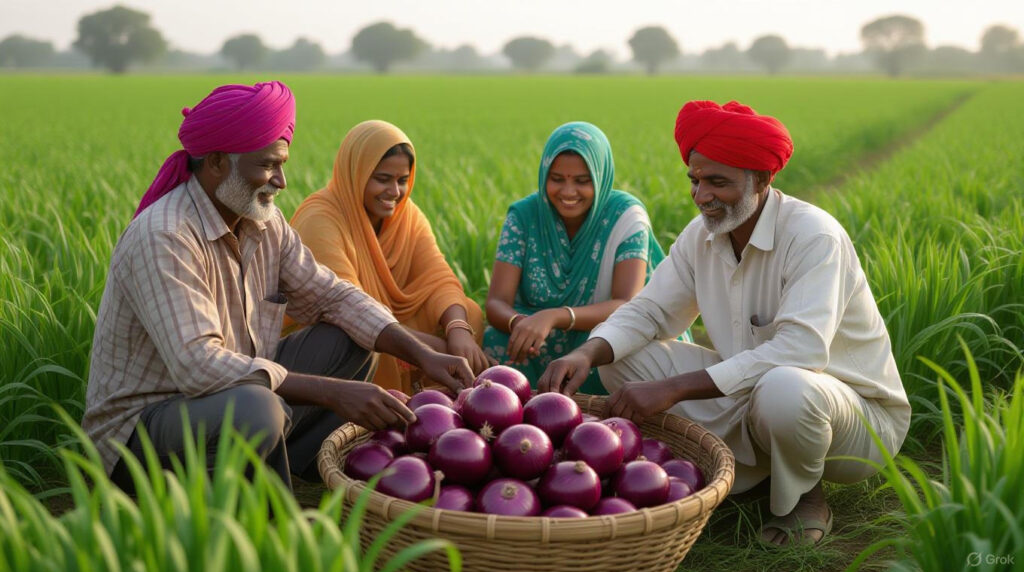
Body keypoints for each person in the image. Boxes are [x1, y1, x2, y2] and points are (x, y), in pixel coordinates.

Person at [538, 101, 911, 546]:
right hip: (751, 396)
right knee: (624, 359)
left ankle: (804, 496)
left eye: (719, 182)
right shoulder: (703, 235)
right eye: (695, 180)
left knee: (785, 389)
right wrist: (586, 351)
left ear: (763, 180)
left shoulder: (814, 236)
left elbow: (800, 351)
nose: (701, 195)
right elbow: (650, 310)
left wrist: (674, 388)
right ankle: (749, 472)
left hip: (853, 418)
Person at [83, 82, 474, 493]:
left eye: (281, 164)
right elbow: (198, 365)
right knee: (258, 407)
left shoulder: (263, 222)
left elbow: (331, 295)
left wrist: (422, 354)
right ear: (217, 163)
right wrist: (333, 392)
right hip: (142, 430)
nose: (282, 180)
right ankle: (262, 509)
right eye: (268, 165)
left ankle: (283, 469)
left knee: (353, 341)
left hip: (230, 399)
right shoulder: (165, 236)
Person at [289, 120, 491, 395]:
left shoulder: (406, 216)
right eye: (382, 179)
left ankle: (435, 405)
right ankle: (383, 410)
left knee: (469, 312)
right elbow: (349, 311)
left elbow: (438, 277)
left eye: (403, 181)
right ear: (356, 173)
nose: (394, 192)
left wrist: (458, 332)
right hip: (341, 327)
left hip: (389, 319)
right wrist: (435, 350)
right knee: (360, 342)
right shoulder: (320, 221)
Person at [484, 121, 683, 395]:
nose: (568, 192)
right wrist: (522, 324)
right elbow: (496, 302)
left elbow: (627, 305)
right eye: (556, 179)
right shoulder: (524, 216)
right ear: (544, 176)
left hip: (604, 332)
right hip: (540, 339)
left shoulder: (625, 218)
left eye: (582, 181)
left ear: (600, 178)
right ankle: (521, 414)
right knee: (497, 339)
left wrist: (555, 316)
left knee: (626, 349)